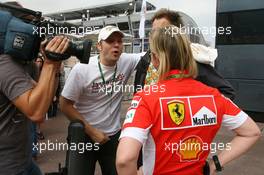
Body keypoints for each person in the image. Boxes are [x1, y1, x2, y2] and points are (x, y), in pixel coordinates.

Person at [116, 26, 261, 175]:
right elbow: (251, 132)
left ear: (155, 59)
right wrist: (214, 165)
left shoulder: (146, 97)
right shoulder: (214, 95)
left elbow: (124, 159)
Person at [60, 25, 144, 175]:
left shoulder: (126, 61)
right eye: (110, 41)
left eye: (119, 41)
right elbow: (65, 105)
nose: (116, 44)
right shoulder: (82, 69)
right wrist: (92, 132)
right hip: (84, 136)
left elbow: (154, 54)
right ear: (99, 46)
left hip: (112, 136)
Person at [0, 3, 70, 174]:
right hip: (8, 167)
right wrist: (50, 64)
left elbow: (42, 97)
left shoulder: (21, 62)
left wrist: (54, 67)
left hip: (23, 161)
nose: (36, 31)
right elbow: (37, 113)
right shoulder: (4, 64)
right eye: (29, 24)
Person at [134, 8, 235, 100]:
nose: (156, 36)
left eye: (162, 31)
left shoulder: (191, 60)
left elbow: (226, 92)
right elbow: (138, 92)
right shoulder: (146, 60)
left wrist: (193, 111)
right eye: (153, 31)